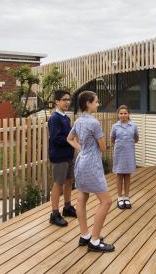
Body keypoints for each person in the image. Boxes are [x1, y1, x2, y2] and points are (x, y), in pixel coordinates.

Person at [67, 91, 115, 252]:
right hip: (92, 164)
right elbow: (102, 147)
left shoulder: (79, 121)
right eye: (96, 101)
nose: (98, 104)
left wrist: (81, 148)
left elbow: (69, 138)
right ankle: (94, 241)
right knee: (107, 201)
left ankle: (85, 235)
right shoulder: (94, 123)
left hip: (81, 162)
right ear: (88, 103)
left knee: (82, 197)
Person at [48, 90, 76, 227]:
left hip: (68, 155)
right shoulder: (55, 118)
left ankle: (67, 207)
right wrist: (71, 141)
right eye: (64, 100)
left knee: (69, 181)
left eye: (69, 99)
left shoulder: (66, 117)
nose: (67, 102)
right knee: (58, 184)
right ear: (57, 102)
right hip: (59, 156)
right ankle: (54, 213)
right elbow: (56, 138)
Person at [111, 105, 139, 209]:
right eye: (121, 113)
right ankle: (119, 197)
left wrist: (128, 144)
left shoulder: (133, 126)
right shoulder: (115, 126)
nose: (123, 115)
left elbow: (136, 138)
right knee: (119, 175)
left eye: (125, 113)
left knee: (127, 175)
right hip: (119, 153)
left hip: (129, 153)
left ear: (128, 114)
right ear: (118, 115)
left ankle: (126, 197)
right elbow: (112, 139)